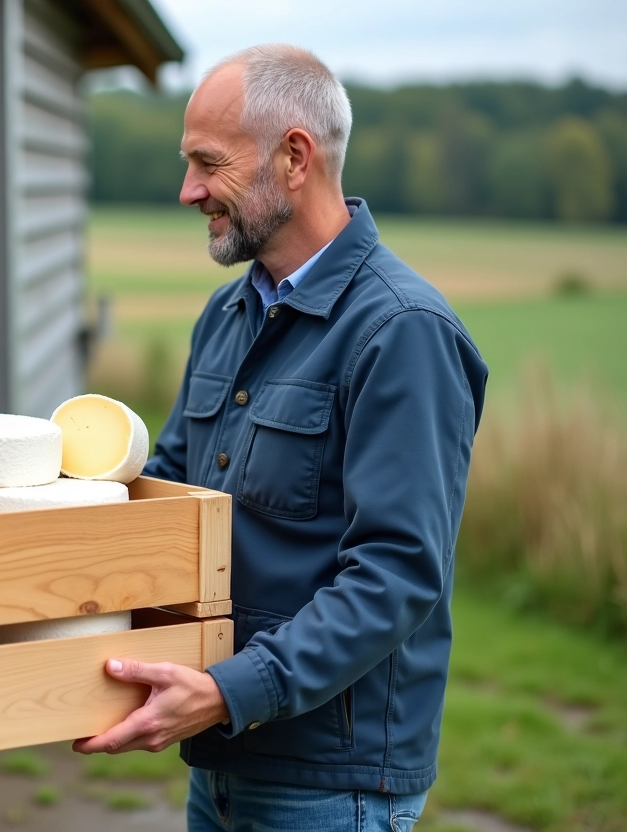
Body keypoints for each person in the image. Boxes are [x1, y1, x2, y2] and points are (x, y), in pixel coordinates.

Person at [73, 45, 488, 832]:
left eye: (208, 163)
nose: (188, 190)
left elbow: (396, 574)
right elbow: (170, 491)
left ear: (295, 157)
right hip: (224, 760)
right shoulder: (225, 318)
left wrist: (233, 691)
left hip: (333, 783)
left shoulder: (403, 332)